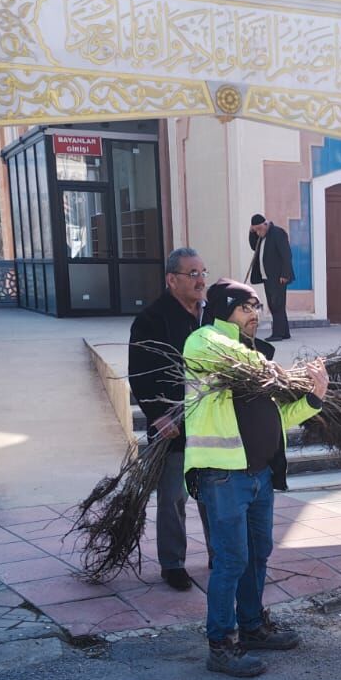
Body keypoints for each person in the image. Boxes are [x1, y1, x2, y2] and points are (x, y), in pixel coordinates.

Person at [184, 280, 327, 677]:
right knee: (231, 561)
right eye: (245, 306)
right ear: (224, 309)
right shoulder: (204, 340)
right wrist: (278, 371)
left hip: (259, 475)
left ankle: (251, 626)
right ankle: (220, 644)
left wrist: (313, 396)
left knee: (257, 553)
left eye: (257, 307)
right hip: (223, 475)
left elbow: (278, 416)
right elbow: (233, 355)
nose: (255, 314)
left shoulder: (253, 356)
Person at [128, 248, 208, 591]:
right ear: (171, 279)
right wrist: (158, 416)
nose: (200, 279)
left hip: (209, 422)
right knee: (174, 496)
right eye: (192, 274)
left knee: (212, 494)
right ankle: (172, 564)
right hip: (171, 422)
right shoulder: (151, 319)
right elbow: (139, 374)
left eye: (202, 272)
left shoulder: (210, 316)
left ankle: (221, 555)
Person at [247, 213, 296, 342]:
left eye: (259, 229)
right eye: (255, 230)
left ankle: (277, 333)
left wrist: (285, 274)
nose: (258, 232)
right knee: (275, 304)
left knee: (276, 304)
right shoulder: (261, 237)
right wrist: (251, 232)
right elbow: (253, 246)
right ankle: (284, 332)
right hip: (267, 277)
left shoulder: (277, 233)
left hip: (278, 277)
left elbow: (286, 254)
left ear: (265, 224)